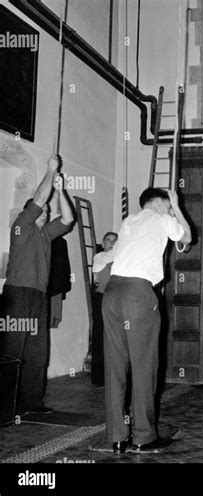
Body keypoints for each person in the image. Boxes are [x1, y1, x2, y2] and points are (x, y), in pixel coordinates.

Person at [102, 188, 191, 454]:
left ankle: (117, 437)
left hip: (112, 292)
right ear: (161, 202)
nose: (170, 209)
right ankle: (143, 437)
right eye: (168, 204)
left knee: (115, 367)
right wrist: (177, 206)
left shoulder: (129, 221)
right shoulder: (163, 218)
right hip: (138, 294)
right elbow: (188, 237)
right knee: (144, 366)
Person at [1, 155, 74, 413]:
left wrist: (61, 191)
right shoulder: (21, 225)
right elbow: (40, 199)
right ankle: (5, 406)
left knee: (37, 353)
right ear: (30, 210)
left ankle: (31, 402)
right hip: (17, 295)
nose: (47, 211)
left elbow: (67, 219)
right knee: (11, 350)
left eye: (47, 211)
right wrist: (50, 170)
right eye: (42, 210)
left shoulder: (45, 233)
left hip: (39, 298)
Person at [91, 232, 118, 386]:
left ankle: (114, 376)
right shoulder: (99, 257)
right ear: (103, 242)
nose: (111, 244)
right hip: (101, 298)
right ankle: (99, 377)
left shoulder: (119, 257)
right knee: (99, 335)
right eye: (108, 240)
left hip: (115, 299)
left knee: (114, 337)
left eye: (115, 241)